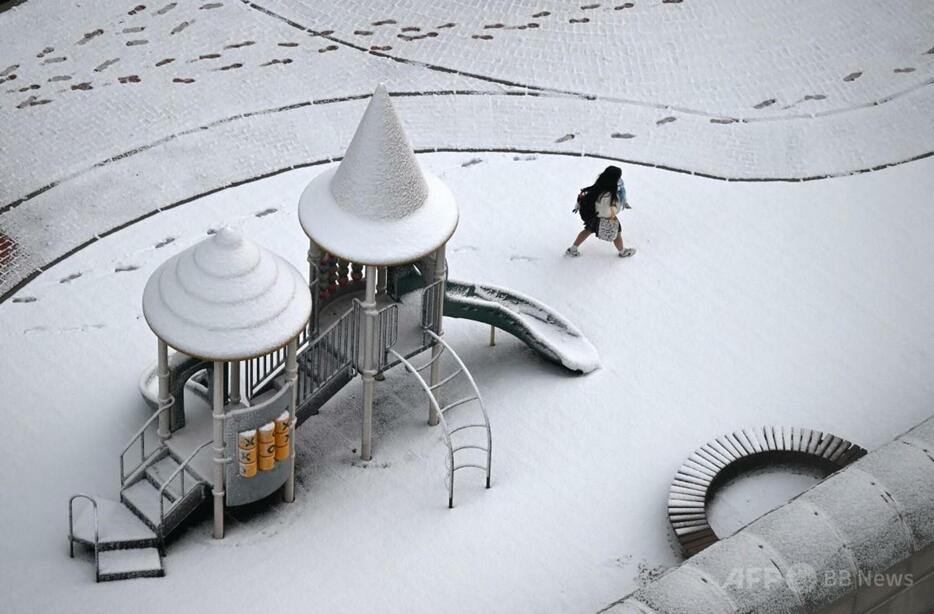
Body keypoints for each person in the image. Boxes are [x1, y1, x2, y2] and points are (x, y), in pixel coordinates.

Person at [565, 165, 635, 258]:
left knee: (588, 230)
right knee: (617, 233)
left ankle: (573, 249)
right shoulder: (608, 195)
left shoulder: (600, 184)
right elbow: (608, 211)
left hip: (591, 215)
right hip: (602, 217)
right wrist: (614, 214)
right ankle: (622, 252)